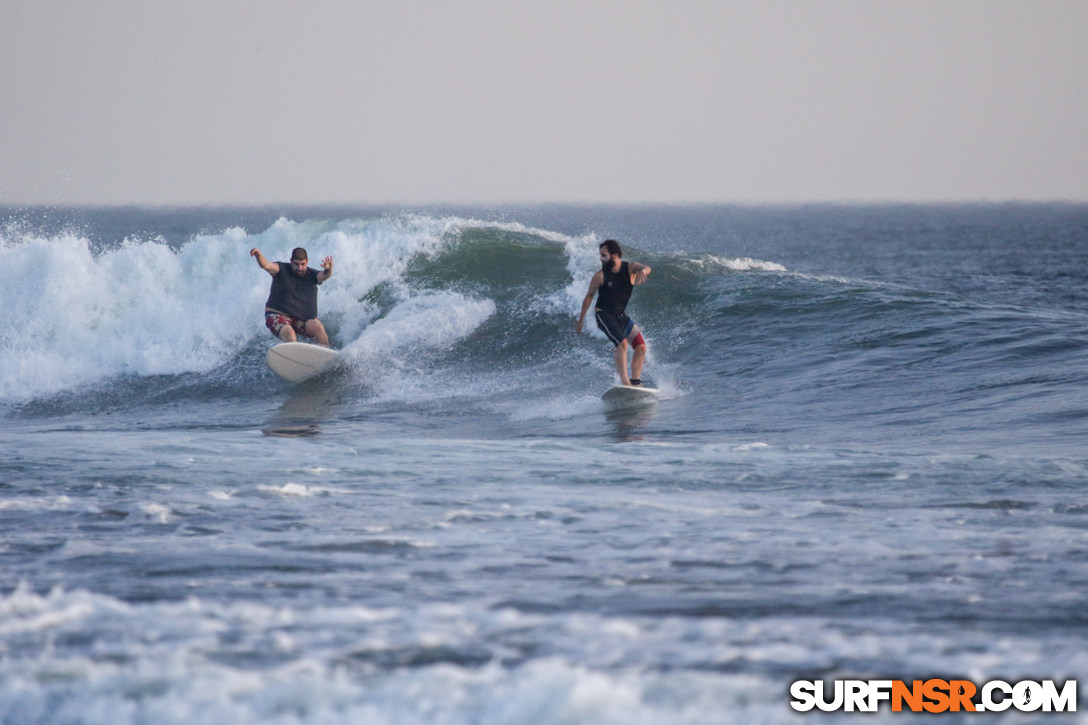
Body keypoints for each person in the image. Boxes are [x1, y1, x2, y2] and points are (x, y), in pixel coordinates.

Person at [576, 239, 652, 386]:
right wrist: (581, 320)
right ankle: (625, 383)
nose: (601, 258)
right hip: (603, 314)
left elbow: (646, 267)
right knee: (622, 344)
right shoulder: (600, 276)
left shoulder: (630, 268)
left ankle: (635, 382)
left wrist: (643, 271)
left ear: (615, 255)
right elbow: (589, 297)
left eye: (604, 255)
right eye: (600, 255)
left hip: (620, 316)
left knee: (641, 347)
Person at [250, 246, 333, 347]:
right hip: (277, 315)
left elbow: (324, 276)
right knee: (290, 335)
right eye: (296, 264)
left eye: (303, 264)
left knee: (318, 327)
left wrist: (328, 269)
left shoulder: (312, 275)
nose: (299, 268)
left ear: (307, 261)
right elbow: (266, 265)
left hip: (300, 318)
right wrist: (259, 256)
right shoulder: (281, 269)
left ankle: (327, 359)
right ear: (291, 261)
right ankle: (293, 360)